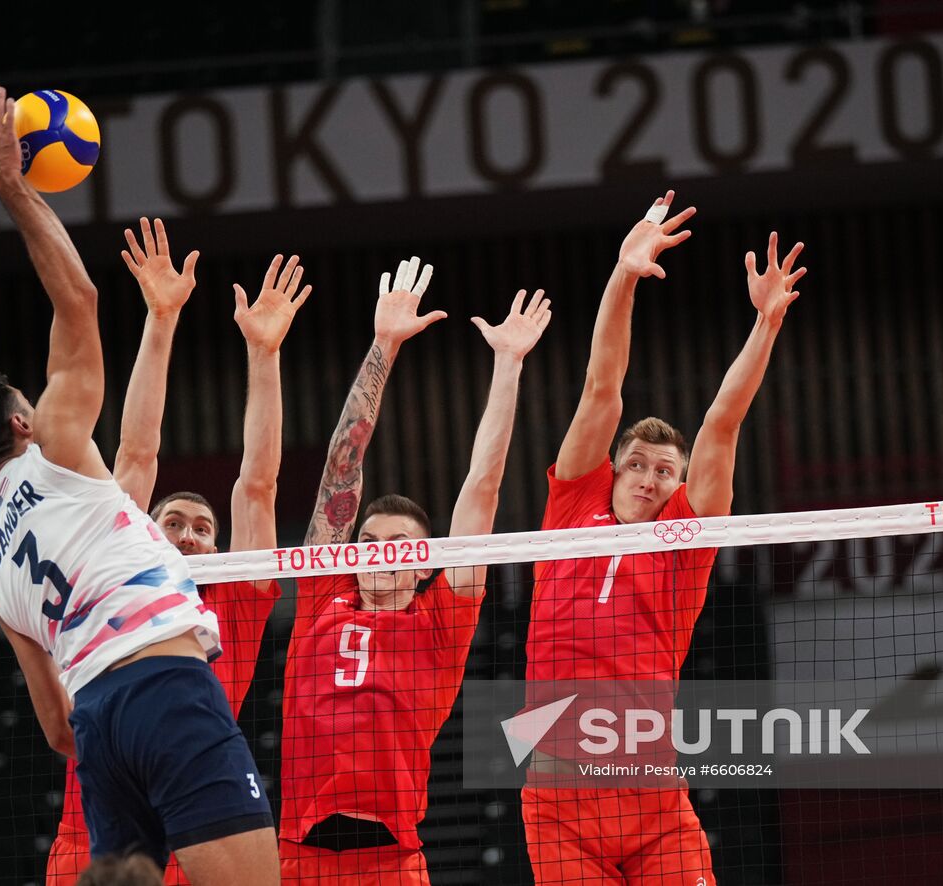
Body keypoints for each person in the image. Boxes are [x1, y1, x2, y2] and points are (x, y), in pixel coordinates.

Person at [0, 87, 277, 886]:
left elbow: (55, 726)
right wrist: (14, 187)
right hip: (165, 687)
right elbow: (79, 299)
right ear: (23, 423)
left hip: (96, 727)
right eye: (33, 400)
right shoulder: (54, 452)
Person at [521, 190, 806, 886]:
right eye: (639, 463)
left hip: (652, 793)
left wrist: (765, 324)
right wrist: (624, 275)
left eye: (665, 470)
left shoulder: (684, 537)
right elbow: (601, 386)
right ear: (612, 467)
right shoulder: (571, 502)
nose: (650, 477)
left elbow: (722, 424)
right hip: (557, 792)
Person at [47, 221, 310, 885]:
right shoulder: (114, 568)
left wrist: (265, 354)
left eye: (203, 528)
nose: (190, 534)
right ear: (143, 530)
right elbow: (136, 454)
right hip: (97, 834)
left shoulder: (233, 608)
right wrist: (161, 317)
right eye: (173, 522)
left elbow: (258, 483)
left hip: (201, 831)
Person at [280, 258, 553, 884]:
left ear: (425, 565)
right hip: (297, 858)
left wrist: (508, 366)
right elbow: (341, 466)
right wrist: (382, 346)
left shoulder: (441, 620)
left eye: (399, 544)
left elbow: (481, 490)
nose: (377, 551)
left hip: (392, 862)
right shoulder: (325, 594)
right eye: (368, 540)